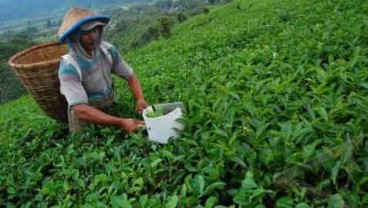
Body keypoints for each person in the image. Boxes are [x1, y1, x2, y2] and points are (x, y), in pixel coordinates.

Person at [57, 7, 148, 133]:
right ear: (74, 37)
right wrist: (121, 122)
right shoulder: (69, 67)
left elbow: (130, 76)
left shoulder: (108, 51)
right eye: (85, 33)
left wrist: (140, 99)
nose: (93, 37)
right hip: (86, 121)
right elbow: (80, 110)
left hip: (109, 108)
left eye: (95, 30)